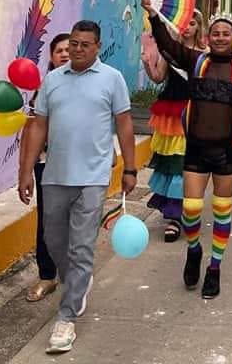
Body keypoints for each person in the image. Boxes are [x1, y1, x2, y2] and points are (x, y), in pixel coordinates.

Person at [18, 21, 136, 355]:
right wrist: (26, 171)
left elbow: (125, 125)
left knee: (81, 247)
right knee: (54, 241)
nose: (77, 49)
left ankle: (66, 319)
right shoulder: (53, 80)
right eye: (73, 43)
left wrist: (130, 167)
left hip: (93, 178)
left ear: (97, 47)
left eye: (85, 44)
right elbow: (38, 127)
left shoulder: (112, 79)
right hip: (55, 174)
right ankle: (78, 281)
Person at [143, 0, 232, 299]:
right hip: (196, 148)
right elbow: (168, 45)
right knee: (191, 209)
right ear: (208, 37)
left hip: (228, 152)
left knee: (222, 210)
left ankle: (215, 268)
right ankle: (194, 249)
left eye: (226, 33)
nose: (221, 38)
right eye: (216, 33)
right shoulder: (196, 61)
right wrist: (154, 15)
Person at [142, 10, 204, 242]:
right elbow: (158, 77)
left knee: (187, 163)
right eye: (184, 23)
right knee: (172, 163)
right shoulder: (170, 51)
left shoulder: (205, 53)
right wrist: (148, 64)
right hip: (171, 112)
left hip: (195, 112)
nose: (188, 27)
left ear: (199, 27)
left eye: (193, 23)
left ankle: (185, 209)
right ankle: (174, 216)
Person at [19, 33, 71, 303]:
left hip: (78, 165)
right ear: (51, 57)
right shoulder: (42, 90)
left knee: (77, 220)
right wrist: (24, 171)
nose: (64, 54)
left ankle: (74, 272)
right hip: (46, 165)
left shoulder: (87, 86)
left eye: (68, 49)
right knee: (47, 222)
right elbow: (30, 131)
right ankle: (47, 276)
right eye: (58, 50)